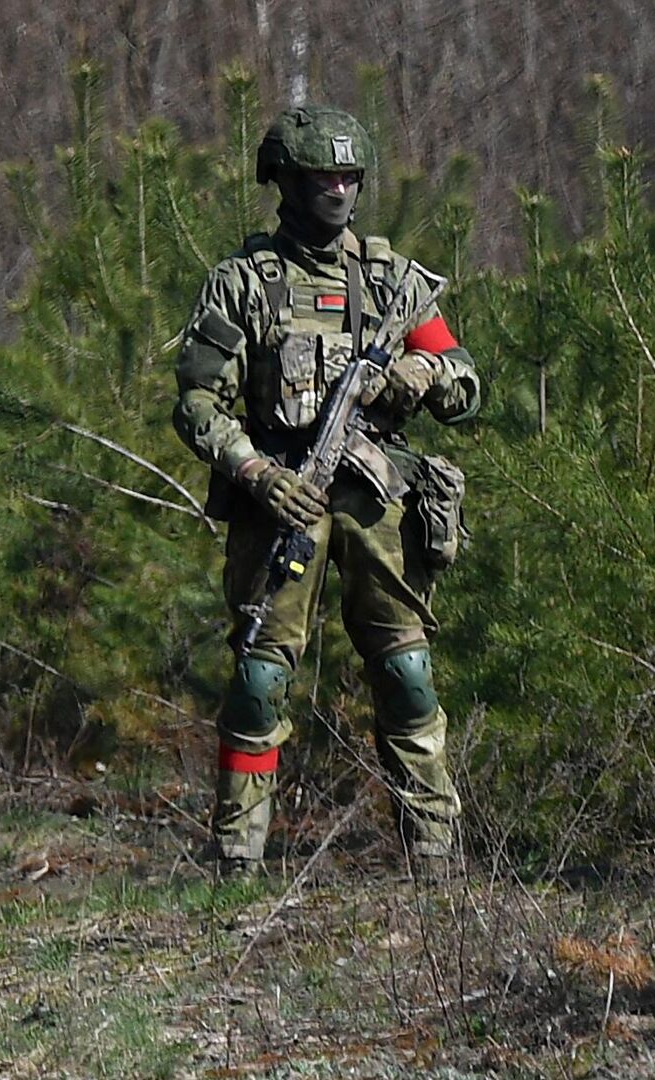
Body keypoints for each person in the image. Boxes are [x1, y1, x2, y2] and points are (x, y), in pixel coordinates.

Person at [171, 105, 481, 878]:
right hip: (283, 501)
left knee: (407, 675)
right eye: (322, 176)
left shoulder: (393, 280)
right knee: (259, 678)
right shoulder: (244, 283)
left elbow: (467, 386)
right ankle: (239, 857)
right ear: (285, 180)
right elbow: (198, 404)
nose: (338, 190)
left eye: (349, 176)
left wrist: (428, 372)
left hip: (376, 499)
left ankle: (435, 855)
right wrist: (257, 473)